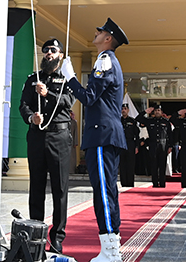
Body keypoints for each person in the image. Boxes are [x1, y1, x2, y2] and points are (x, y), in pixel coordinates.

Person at [60, 18, 128, 262]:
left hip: (102, 135)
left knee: (104, 191)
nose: (96, 33)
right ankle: (110, 247)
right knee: (105, 190)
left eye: (100, 31)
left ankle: (110, 251)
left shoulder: (105, 59)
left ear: (108, 38)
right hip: (104, 134)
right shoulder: (107, 60)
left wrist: (70, 78)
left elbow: (88, 98)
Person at [19, 38, 76, 254]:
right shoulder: (33, 79)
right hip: (36, 136)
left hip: (59, 137)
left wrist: (47, 95)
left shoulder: (67, 78)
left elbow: (69, 102)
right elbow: (22, 104)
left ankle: (57, 237)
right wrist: (30, 117)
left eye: (53, 50)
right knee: (36, 187)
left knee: (60, 189)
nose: (48, 54)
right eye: (45, 51)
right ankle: (36, 232)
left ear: (60, 54)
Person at [139, 105, 171, 188]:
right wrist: (145, 112)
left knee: (162, 165)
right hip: (153, 144)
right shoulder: (150, 121)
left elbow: (170, 135)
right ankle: (155, 183)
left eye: (159, 110)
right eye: (156, 110)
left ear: (161, 112)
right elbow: (138, 118)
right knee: (154, 165)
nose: (157, 112)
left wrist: (170, 146)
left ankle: (162, 183)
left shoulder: (166, 121)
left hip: (163, 144)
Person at [120, 104, 139, 187]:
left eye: (125, 109)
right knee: (122, 164)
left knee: (130, 164)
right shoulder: (118, 120)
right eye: (122, 109)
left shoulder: (132, 121)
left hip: (130, 144)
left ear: (128, 110)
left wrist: (137, 146)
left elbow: (137, 135)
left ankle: (130, 183)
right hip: (120, 144)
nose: (123, 110)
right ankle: (123, 183)